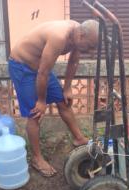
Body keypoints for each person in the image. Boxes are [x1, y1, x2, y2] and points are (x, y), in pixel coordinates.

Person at [8, 20, 99, 177]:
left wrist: (68, 87)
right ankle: (37, 159)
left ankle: (79, 138)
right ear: (82, 35)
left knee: (64, 102)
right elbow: (43, 73)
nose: (90, 51)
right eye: (90, 46)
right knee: (34, 113)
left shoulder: (77, 37)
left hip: (42, 68)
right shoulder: (59, 36)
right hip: (22, 66)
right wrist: (41, 101)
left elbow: (73, 61)